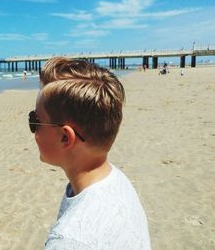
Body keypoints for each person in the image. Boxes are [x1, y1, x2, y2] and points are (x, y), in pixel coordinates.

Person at [29, 57, 150, 249]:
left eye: (35, 120)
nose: (34, 129)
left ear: (65, 138)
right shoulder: (114, 179)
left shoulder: (70, 240)